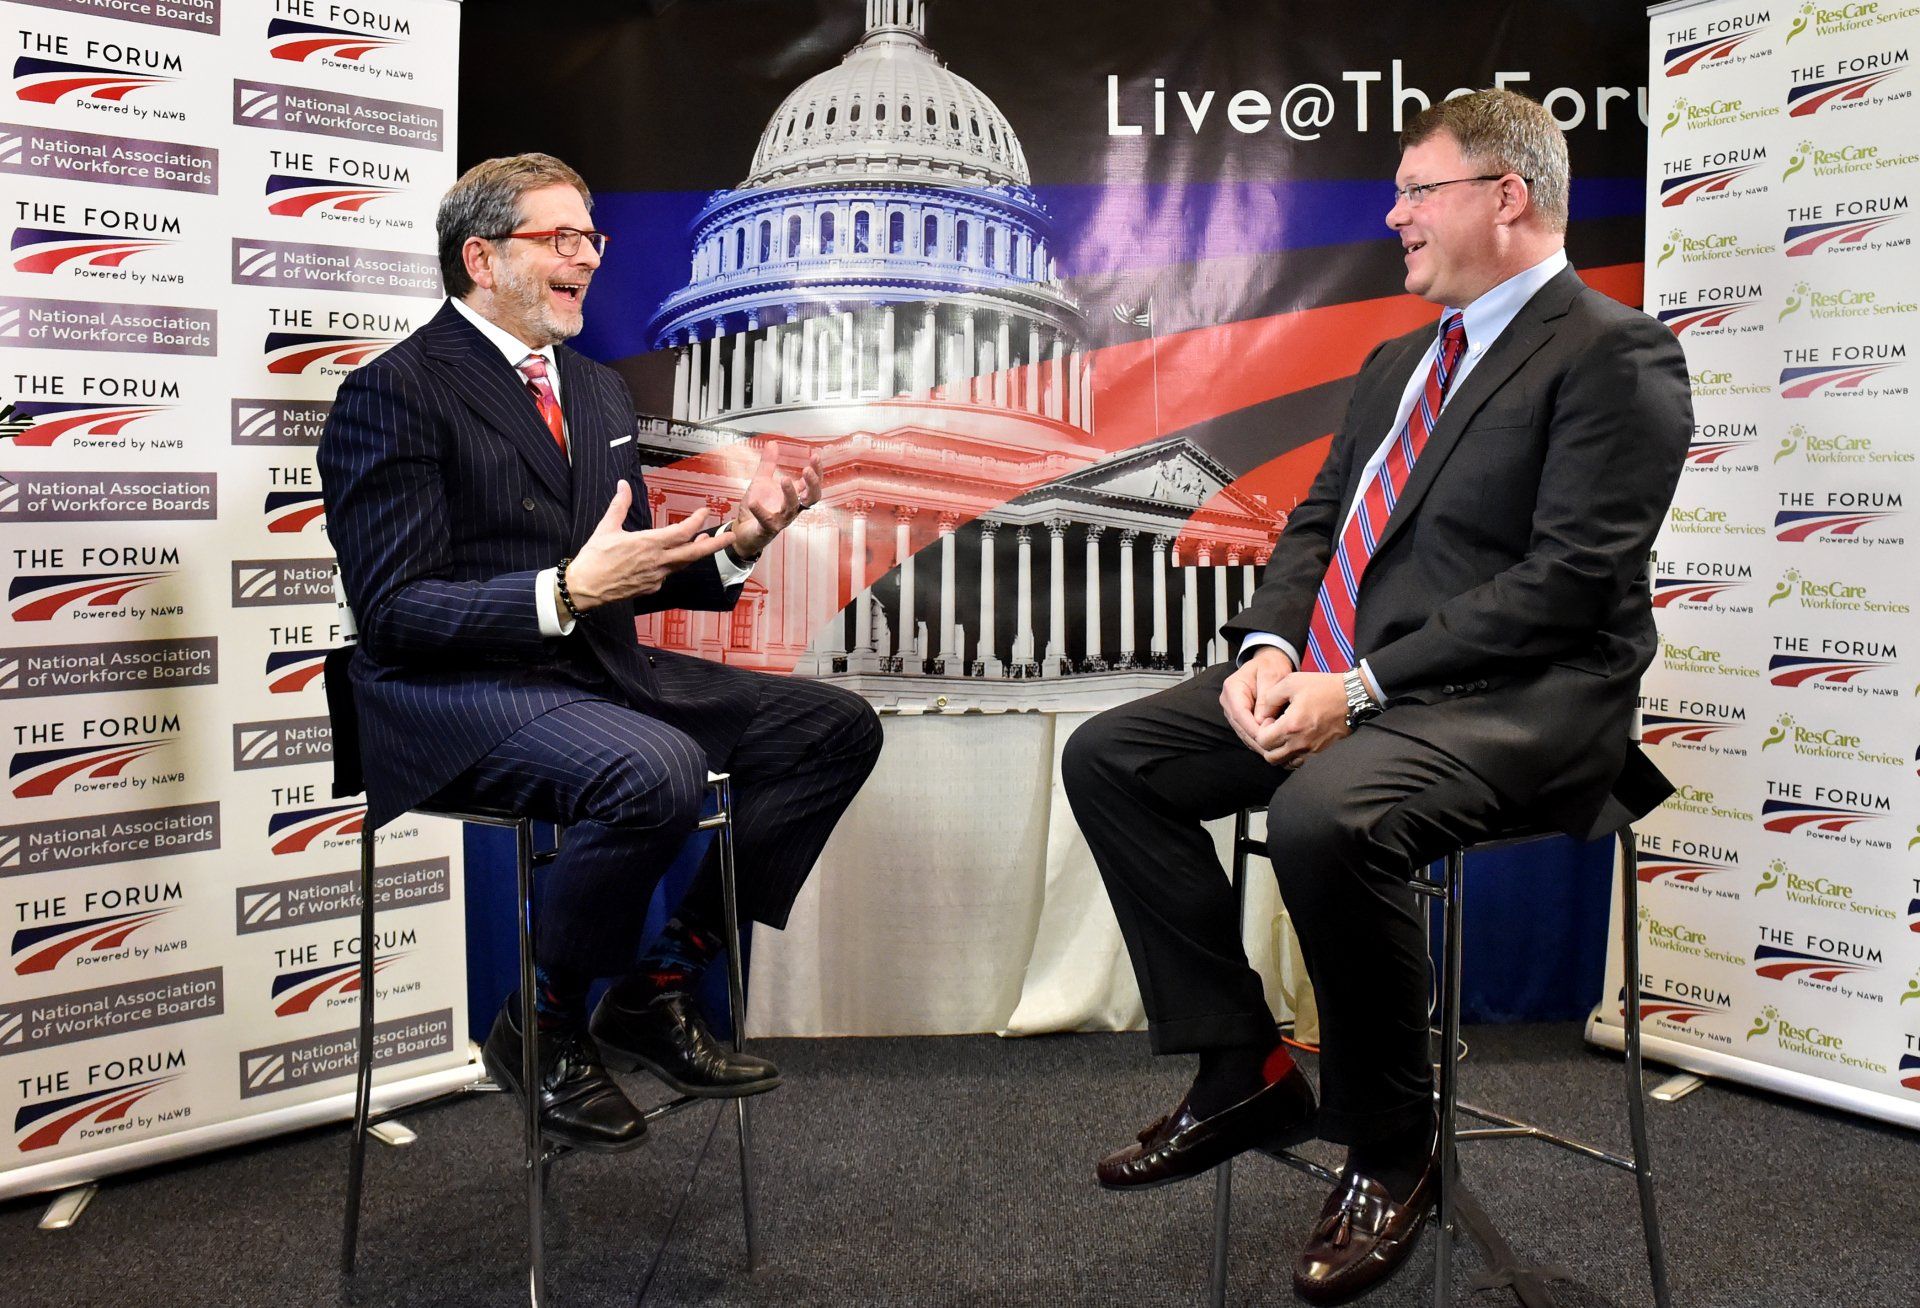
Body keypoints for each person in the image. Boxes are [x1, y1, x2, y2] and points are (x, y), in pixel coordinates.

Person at [1061, 90, 1689, 1304]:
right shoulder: (1400, 358)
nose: (1391, 214)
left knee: (1323, 817)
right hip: (1352, 682)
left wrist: (1363, 686)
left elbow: (1569, 586)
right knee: (1113, 757)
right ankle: (1243, 1068)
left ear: (1505, 197)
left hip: (1524, 700)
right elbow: (1317, 526)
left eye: (1416, 190)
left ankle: (1395, 1146)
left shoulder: (1615, 352)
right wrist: (1266, 647)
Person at [319, 153, 883, 1152]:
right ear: (481, 258)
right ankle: (541, 1022)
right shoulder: (394, 393)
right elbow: (395, 612)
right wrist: (565, 593)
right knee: (653, 770)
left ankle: (658, 988)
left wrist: (741, 541)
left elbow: (624, 569)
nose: (586, 256)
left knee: (834, 727)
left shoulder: (596, 388)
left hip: (594, 676)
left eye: (592, 238)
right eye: (559, 238)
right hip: (455, 693)